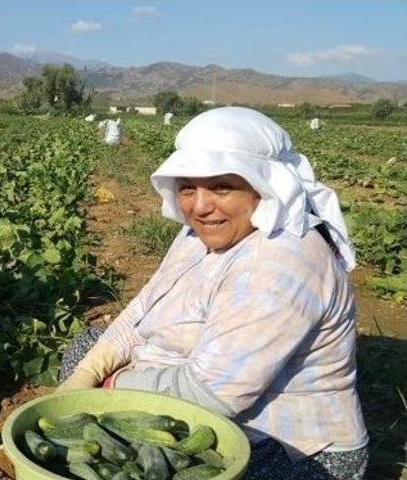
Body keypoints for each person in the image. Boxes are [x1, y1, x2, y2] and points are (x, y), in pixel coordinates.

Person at [57, 107, 367, 479]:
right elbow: (142, 310)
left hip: (287, 450)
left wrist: (111, 385)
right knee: (85, 347)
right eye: (188, 188)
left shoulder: (281, 262)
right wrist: (89, 372)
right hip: (198, 382)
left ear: (263, 187)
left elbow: (211, 396)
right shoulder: (197, 235)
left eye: (222, 186)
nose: (201, 206)